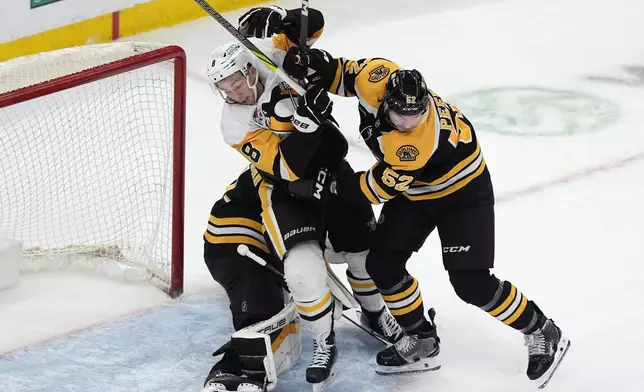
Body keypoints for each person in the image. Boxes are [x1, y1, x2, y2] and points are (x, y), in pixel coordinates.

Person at [281, 48, 571, 387]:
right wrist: (308, 60)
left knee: (471, 283)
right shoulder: (378, 74)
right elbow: (341, 73)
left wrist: (327, 183)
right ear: (386, 97)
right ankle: (421, 338)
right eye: (401, 116)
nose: (407, 123)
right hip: (418, 193)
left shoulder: (415, 144)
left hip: (463, 196)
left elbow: (373, 190)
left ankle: (541, 328)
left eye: (415, 117)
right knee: (382, 265)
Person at [205, 5, 404, 390]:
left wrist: (297, 24)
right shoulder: (233, 125)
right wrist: (306, 126)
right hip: (284, 187)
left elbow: (311, 30)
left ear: (248, 69)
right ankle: (323, 342)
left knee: (364, 253)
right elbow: (285, 168)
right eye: (224, 89)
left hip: (331, 164)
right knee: (301, 269)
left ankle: (376, 312)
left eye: (236, 82)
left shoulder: (266, 53)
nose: (233, 93)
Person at [202, 165, 300, 392]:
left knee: (269, 296)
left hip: (242, 240)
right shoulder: (290, 166)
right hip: (237, 243)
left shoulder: (289, 155)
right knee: (260, 314)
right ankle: (232, 367)